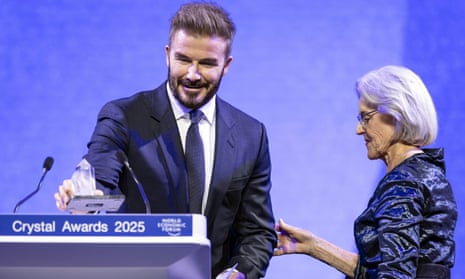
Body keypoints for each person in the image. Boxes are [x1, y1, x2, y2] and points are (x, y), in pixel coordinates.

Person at [54, 2, 276, 279]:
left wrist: (238, 274)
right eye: (183, 60)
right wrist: (84, 197)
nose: (192, 75)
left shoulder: (251, 135)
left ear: (226, 65)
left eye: (207, 64)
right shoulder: (124, 116)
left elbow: (257, 232)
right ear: (167, 55)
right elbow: (99, 177)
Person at [273, 65, 457, 279]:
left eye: (366, 117)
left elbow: (394, 275)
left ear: (396, 113)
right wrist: (314, 246)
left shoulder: (404, 183)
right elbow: (388, 270)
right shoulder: (424, 171)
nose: (359, 129)